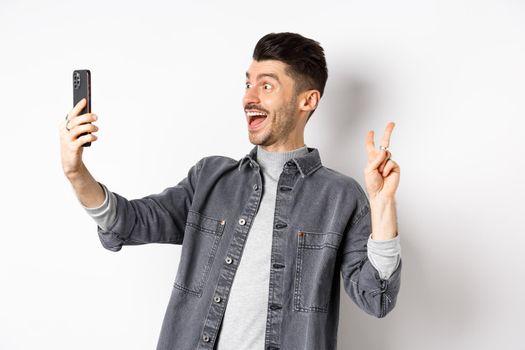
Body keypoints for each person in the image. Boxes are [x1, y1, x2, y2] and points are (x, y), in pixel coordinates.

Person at [59, 32, 402, 350]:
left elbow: (377, 298)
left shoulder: (341, 197)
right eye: (248, 83)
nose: (248, 97)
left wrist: (383, 204)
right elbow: (130, 222)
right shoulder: (210, 178)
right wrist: (77, 174)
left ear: (307, 100)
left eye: (266, 86)